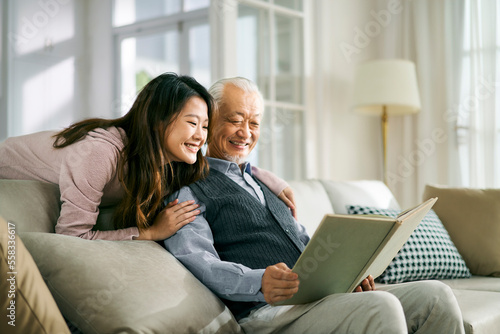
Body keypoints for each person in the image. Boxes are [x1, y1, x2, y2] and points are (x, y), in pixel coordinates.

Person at [163, 77, 465, 334]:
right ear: (209, 120)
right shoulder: (189, 187)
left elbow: (304, 243)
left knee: (436, 296)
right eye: (235, 120)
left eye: (254, 123)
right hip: (267, 312)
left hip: (314, 298)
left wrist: (350, 272)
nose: (246, 132)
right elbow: (199, 260)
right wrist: (257, 281)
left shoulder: (263, 181)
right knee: (381, 305)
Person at [0, 73, 291, 241]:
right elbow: (72, 237)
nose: (201, 136)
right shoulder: (101, 153)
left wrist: (271, 182)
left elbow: (220, 165)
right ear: (157, 121)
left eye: (205, 126)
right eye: (192, 123)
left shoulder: (172, 166)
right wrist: (150, 233)